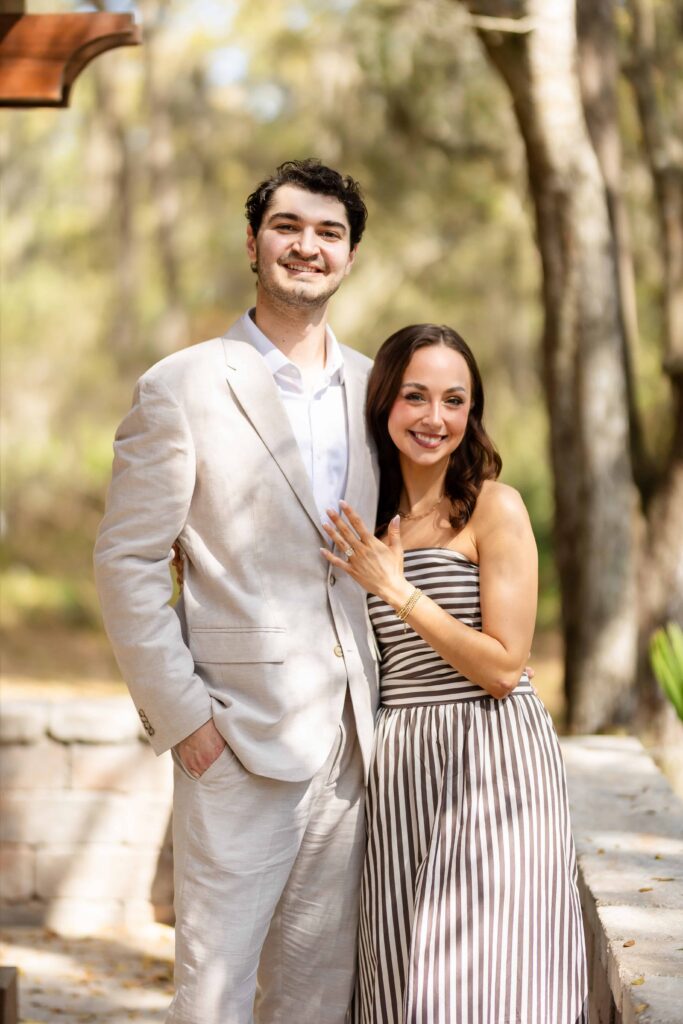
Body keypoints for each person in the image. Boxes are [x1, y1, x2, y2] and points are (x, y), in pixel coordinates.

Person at [93, 159, 381, 1024]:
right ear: (253, 243)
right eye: (288, 227)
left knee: (315, 999)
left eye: (328, 232)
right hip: (234, 740)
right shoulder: (179, 386)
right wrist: (185, 719)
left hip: (354, 748)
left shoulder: (380, 390)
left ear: (351, 255)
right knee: (211, 998)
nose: (307, 246)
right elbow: (127, 562)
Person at [321, 324, 588, 1024]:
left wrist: (399, 592)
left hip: (492, 757)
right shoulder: (366, 516)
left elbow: (504, 666)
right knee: (402, 970)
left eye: (453, 399)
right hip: (400, 760)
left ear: (472, 412)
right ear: (383, 402)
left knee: (486, 982)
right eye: (414, 396)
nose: (433, 418)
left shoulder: (492, 506)